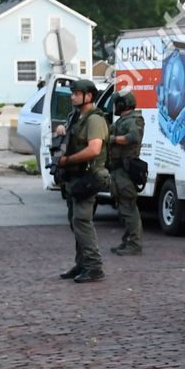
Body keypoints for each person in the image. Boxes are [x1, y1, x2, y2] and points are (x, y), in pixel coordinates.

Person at [55, 79, 109, 283]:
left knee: (82, 221)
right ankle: (82, 264)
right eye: (73, 93)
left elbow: (94, 149)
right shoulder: (77, 117)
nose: (72, 97)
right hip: (75, 176)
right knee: (75, 222)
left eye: (77, 93)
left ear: (89, 96)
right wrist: (62, 130)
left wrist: (67, 160)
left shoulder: (94, 120)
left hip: (89, 176)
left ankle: (94, 267)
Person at [106, 90, 146, 256]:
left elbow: (133, 137)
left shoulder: (135, 120)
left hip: (125, 169)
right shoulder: (122, 120)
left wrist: (114, 139)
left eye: (117, 103)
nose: (115, 106)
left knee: (129, 207)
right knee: (124, 207)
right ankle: (128, 240)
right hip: (117, 169)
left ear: (123, 104)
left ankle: (135, 244)